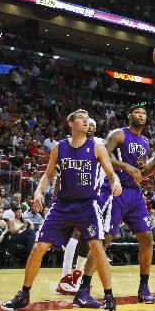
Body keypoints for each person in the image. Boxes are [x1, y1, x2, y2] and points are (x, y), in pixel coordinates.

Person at [1, 109, 122, 311]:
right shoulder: (60, 147)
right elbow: (48, 175)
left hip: (88, 204)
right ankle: (24, 294)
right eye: (81, 119)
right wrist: (39, 192)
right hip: (62, 205)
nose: (86, 122)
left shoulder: (97, 147)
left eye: (87, 120)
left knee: (97, 247)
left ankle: (109, 297)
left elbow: (111, 174)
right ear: (71, 124)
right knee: (39, 247)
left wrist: (116, 182)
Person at [76, 106, 155, 307]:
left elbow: (140, 172)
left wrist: (152, 166)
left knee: (147, 238)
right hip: (115, 191)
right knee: (103, 240)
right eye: (137, 112)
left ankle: (144, 288)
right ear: (130, 116)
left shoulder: (144, 141)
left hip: (135, 194)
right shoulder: (118, 134)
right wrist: (127, 167)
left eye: (144, 113)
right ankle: (83, 290)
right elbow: (102, 155)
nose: (141, 115)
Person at [57, 118, 104, 295]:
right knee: (76, 232)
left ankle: (76, 274)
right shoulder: (72, 146)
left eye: (93, 125)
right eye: (86, 124)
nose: (89, 127)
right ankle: (66, 276)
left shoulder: (97, 144)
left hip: (95, 196)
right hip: (78, 196)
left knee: (88, 237)